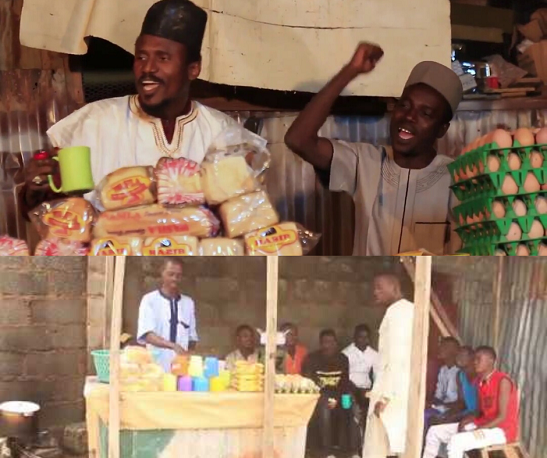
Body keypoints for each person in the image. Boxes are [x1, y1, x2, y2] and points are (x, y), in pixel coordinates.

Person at [21, 0, 240, 212]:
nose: (148, 68)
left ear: (193, 69)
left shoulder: (222, 132)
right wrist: (35, 189)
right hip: (109, 248)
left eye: (162, 58)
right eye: (141, 57)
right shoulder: (92, 122)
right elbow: (42, 211)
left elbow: (246, 214)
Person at [284, 42, 464, 255]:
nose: (409, 116)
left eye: (425, 114)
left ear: (442, 129)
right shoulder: (365, 161)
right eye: (404, 105)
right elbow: (298, 139)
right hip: (369, 287)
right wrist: (350, 72)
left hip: (427, 288)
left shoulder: (457, 177)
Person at [422, 346, 519, 458]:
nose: (475, 362)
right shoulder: (480, 382)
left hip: (501, 430)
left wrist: (479, 429)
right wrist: (466, 420)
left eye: (479, 359)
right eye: (474, 359)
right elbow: (479, 411)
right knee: (434, 432)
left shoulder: (503, 381)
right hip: (482, 424)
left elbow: (502, 417)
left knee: (457, 441)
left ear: (490, 361)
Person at [362, 273, 414, 458]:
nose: (375, 292)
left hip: (392, 392)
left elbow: (399, 357)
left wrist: (386, 397)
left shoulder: (400, 312)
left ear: (394, 287)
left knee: (380, 445)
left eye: (379, 287)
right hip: (393, 389)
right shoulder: (401, 310)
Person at [302, 329, 359, 458]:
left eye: (331, 342)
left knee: (350, 406)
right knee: (325, 410)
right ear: (320, 344)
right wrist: (328, 398)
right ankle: (328, 451)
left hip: (339, 395)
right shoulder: (312, 359)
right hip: (320, 397)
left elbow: (345, 383)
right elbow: (310, 384)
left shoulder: (342, 359)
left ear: (336, 343)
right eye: (325, 342)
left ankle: (351, 450)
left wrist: (338, 399)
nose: (328, 345)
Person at [137, 258, 198, 372]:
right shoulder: (149, 300)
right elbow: (147, 335)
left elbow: (192, 338)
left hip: (181, 369)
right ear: (162, 273)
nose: (175, 279)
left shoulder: (188, 303)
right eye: (171, 274)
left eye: (178, 275)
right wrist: (173, 346)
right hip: (155, 368)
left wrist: (188, 356)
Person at [342, 324, 379, 436]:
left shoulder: (374, 354)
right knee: (346, 406)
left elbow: (377, 376)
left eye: (366, 337)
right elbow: (343, 377)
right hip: (348, 389)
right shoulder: (346, 353)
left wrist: (374, 390)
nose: (363, 340)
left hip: (365, 390)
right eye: (360, 337)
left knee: (370, 409)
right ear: (354, 337)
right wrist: (353, 389)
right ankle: (347, 443)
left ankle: (364, 440)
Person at [424, 337, 461, 431]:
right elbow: (438, 396)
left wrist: (434, 406)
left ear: (453, 351)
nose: (439, 349)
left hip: (454, 410)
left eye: (444, 347)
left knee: (426, 416)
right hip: (441, 408)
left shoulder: (460, 372)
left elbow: (461, 403)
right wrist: (429, 403)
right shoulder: (443, 370)